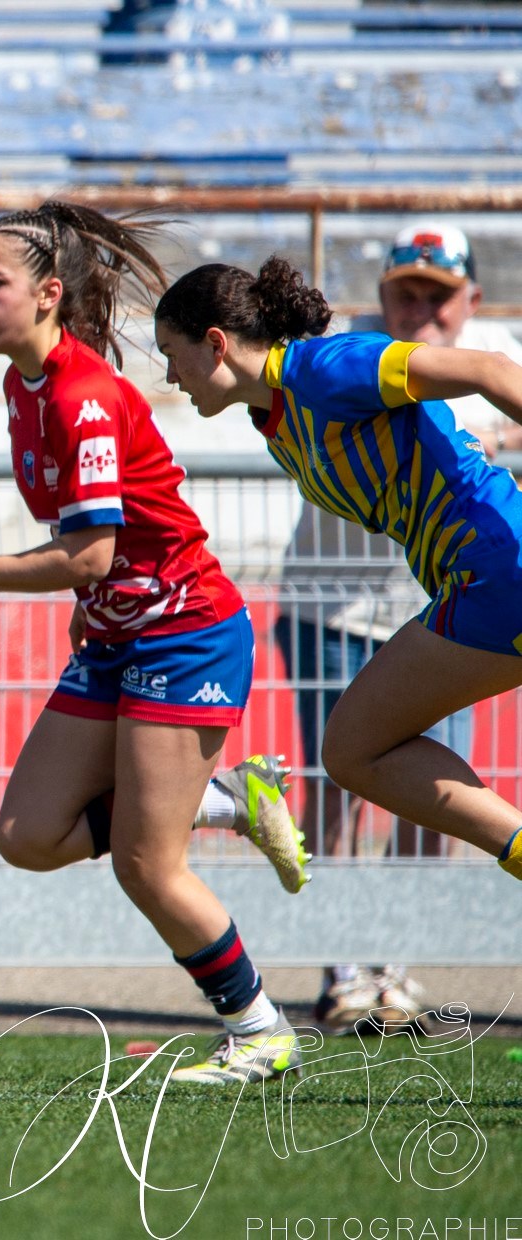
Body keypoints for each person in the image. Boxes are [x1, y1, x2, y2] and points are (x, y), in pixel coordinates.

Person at [0, 201, 312, 1086]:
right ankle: (232, 798)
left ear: (47, 295)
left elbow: (91, 548)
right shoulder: (22, 386)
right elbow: (96, 558)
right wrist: (93, 599)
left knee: (144, 865)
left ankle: (261, 1030)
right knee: (27, 834)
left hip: (188, 632)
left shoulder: (82, 398)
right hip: (120, 632)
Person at [151, 260, 522, 973]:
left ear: (216, 343)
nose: (172, 378)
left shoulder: (326, 368)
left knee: (353, 749)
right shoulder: (274, 418)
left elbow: (492, 369)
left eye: (172, 356)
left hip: (501, 570)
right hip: (477, 585)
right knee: (353, 750)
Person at [277, 222, 522, 1030]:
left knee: (425, 793)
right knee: (340, 786)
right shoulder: (345, 359)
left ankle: (399, 971)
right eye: (405, 290)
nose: (420, 307)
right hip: (336, 607)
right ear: (380, 295)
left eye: (437, 293)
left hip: (458, 604)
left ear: (470, 301)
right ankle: (347, 968)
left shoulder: (492, 357)